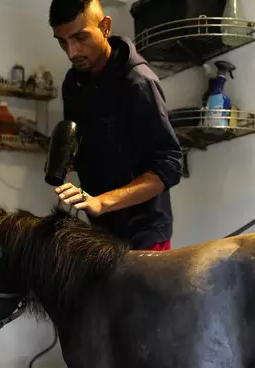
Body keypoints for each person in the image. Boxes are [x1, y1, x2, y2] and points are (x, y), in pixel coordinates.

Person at [48, 0, 183, 251]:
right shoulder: (74, 82)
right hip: (101, 234)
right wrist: (68, 159)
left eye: (80, 37)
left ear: (106, 27)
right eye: (62, 41)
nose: (72, 52)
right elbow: (86, 143)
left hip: (145, 236)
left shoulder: (138, 83)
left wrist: (101, 202)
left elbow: (170, 165)